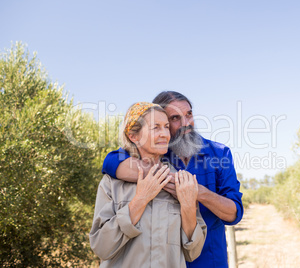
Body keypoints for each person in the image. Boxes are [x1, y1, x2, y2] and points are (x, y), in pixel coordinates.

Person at [102, 92, 244, 268]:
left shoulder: (220, 153)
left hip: (210, 260)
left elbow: (234, 213)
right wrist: (163, 176)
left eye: (189, 114)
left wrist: (196, 191)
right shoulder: (157, 152)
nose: (186, 124)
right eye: (175, 118)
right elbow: (110, 161)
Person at [90, 102, 207, 268]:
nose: (165, 134)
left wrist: (188, 206)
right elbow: (102, 248)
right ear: (133, 136)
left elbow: (193, 253)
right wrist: (140, 199)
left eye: (166, 127)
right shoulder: (112, 183)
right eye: (156, 128)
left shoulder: (181, 182)